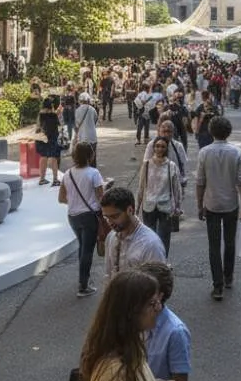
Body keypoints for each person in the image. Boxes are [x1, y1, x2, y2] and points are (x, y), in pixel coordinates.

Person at [195, 115, 241, 300]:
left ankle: (217, 286)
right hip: (231, 203)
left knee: (214, 245)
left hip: (211, 203)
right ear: (229, 132)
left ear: (211, 131)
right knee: (230, 242)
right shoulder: (236, 152)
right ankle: (228, 277)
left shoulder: (204, 152)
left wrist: (199, 204)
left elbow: (200, 182)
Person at [60, 142, 108, 297]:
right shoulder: (94, 173)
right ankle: (83, 285)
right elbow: (101, 197)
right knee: (87, 250)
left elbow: (61, 198)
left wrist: (75, 201)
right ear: (90, 155)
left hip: (73, 216)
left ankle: (83, 279)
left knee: (82, 246)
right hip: (89, 216)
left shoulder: (68, 174)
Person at [103, 186, 167, 281]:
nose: (110, 222)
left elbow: (159, 283)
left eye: (115, 216)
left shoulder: (151, 245)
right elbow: (108, 274)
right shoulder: (111, 237)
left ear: (130, 210)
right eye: (106, 217)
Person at [137, 137, 183, 255]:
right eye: (157, 146)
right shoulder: (146, 165)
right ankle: (150, 261)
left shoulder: (171, 166)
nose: (160, 149)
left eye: (163, 146)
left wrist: (178, 206)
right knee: (149, 238)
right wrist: (137, 207)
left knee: (164, 238)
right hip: (148, 206)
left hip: (165, 207)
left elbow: (176, 188)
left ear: (166, 148)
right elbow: (141, 186)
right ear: (153, 148)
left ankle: (162, 261)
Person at [35, 95, 63, 186]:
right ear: (51, 106)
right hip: (53, 138)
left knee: (43, 157)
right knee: (54, 158)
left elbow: (38, 127)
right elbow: (59, 126)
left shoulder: (40, 115)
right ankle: (55, 179)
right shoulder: (54, 115)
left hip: (42, 139)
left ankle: (42, 179)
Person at [74, 93, 100, 167]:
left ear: (80, 100)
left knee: (82, 157)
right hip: (92, 136)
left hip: (82, 137)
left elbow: (76, 124)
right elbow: (95, 120)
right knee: (92, 157)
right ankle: (93, 170)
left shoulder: (77, 111)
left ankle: (84, 170)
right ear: (88, 100)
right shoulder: (92, 109)